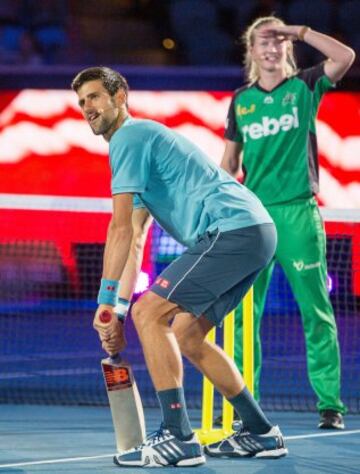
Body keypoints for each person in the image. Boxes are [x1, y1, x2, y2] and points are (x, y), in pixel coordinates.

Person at [71, 66, 288, 468]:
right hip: (254, 232)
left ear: (120, 97)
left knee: (148, 311)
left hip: (233, 229)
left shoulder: (129, 137)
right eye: (82, 101)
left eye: (96, 97)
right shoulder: (138, 148)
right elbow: (134, 237)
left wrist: (110, 304)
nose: (88, 107)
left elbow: (118, 229)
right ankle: (260, 431)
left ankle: (177, 436)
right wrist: (112, 311)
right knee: (187, 333)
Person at [219, 16, 355, 430]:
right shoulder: (241, 101)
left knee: (316, 311)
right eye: (264, 40)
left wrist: (299, 31)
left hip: (298, 214)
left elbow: (346, 56)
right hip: (254, 219)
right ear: (252, 50)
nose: (271, 47)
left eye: (278, 41)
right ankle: (248, 408)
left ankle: (329, 404)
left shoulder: (306, 86)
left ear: (287, 48)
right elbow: (229, 164)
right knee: (245, 319)